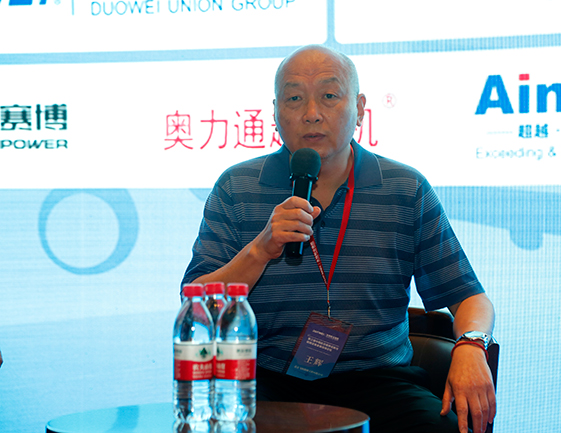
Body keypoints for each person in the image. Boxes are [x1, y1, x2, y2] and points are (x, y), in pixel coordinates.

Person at [182, 44, 496, 433]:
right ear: (275, 113)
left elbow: (469, 296)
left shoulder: (405, 188)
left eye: (329, 96)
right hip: (267, 380)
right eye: (294, 99)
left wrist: (471, 346)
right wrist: (259, 250)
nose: (312, 113)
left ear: (360, 108)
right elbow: (197, 302)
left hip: (379, 381)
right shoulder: (237, 186)